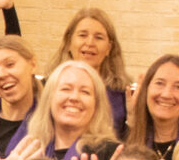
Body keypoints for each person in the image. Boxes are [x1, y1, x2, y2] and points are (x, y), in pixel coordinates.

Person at [56, 9, 133, 137]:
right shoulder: (50, 88)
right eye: (82, 35)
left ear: (109, 48)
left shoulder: (122, 95)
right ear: (69, 42)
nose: (90, 43)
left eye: (98, 37)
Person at [131, 55, 179, 160]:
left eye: (178, 87)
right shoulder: (129, 144)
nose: (166, 94)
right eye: (160, 83)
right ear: (146, 90)